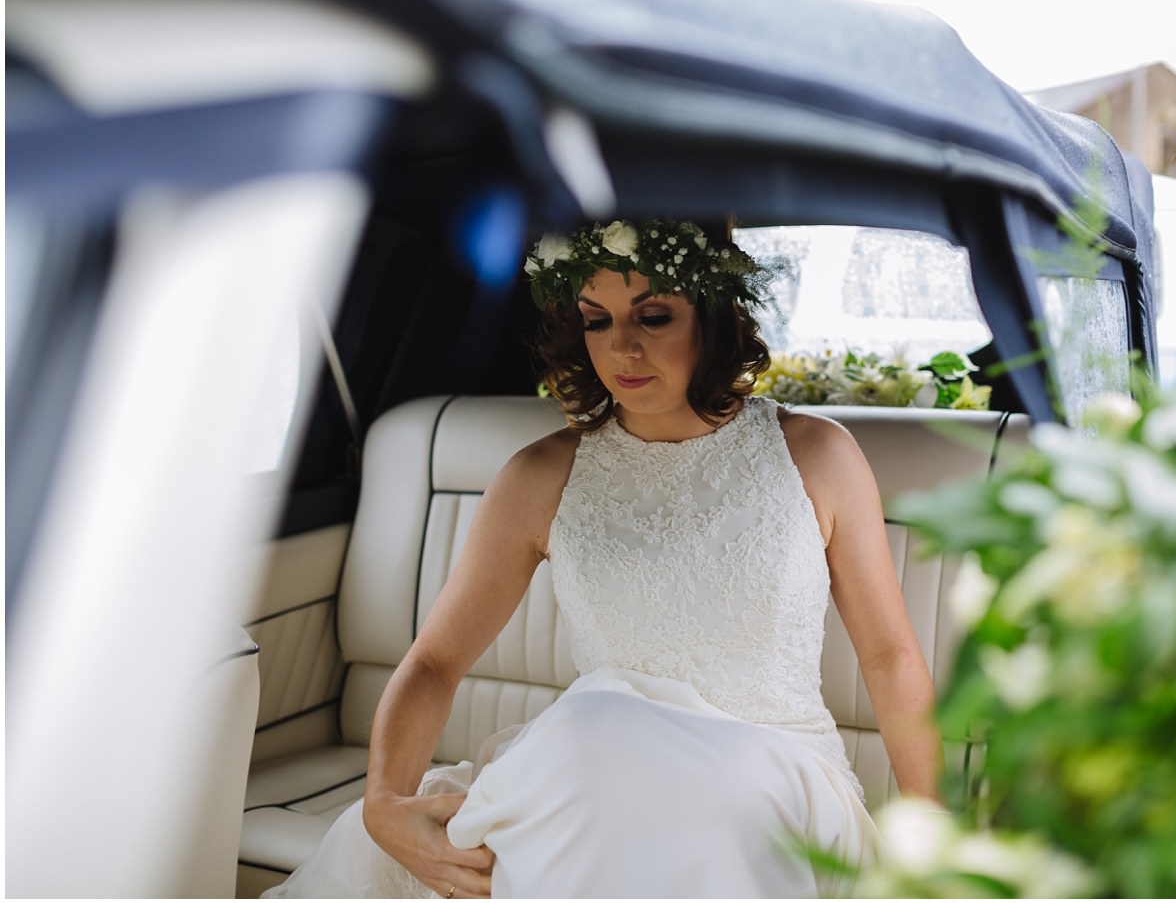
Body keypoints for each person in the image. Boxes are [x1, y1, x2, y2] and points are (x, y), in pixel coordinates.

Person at [264, 218, 940, 899]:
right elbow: (436, 662)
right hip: (593, 775)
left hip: (775, 780)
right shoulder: (538, 477)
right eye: (596, 320)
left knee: (630, 750)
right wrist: (384, 800)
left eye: (652, 315)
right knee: (596, 723)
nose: (622, 346)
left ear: (715, 316)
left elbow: (890, 656)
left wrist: (935, 842)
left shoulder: (818, 457)